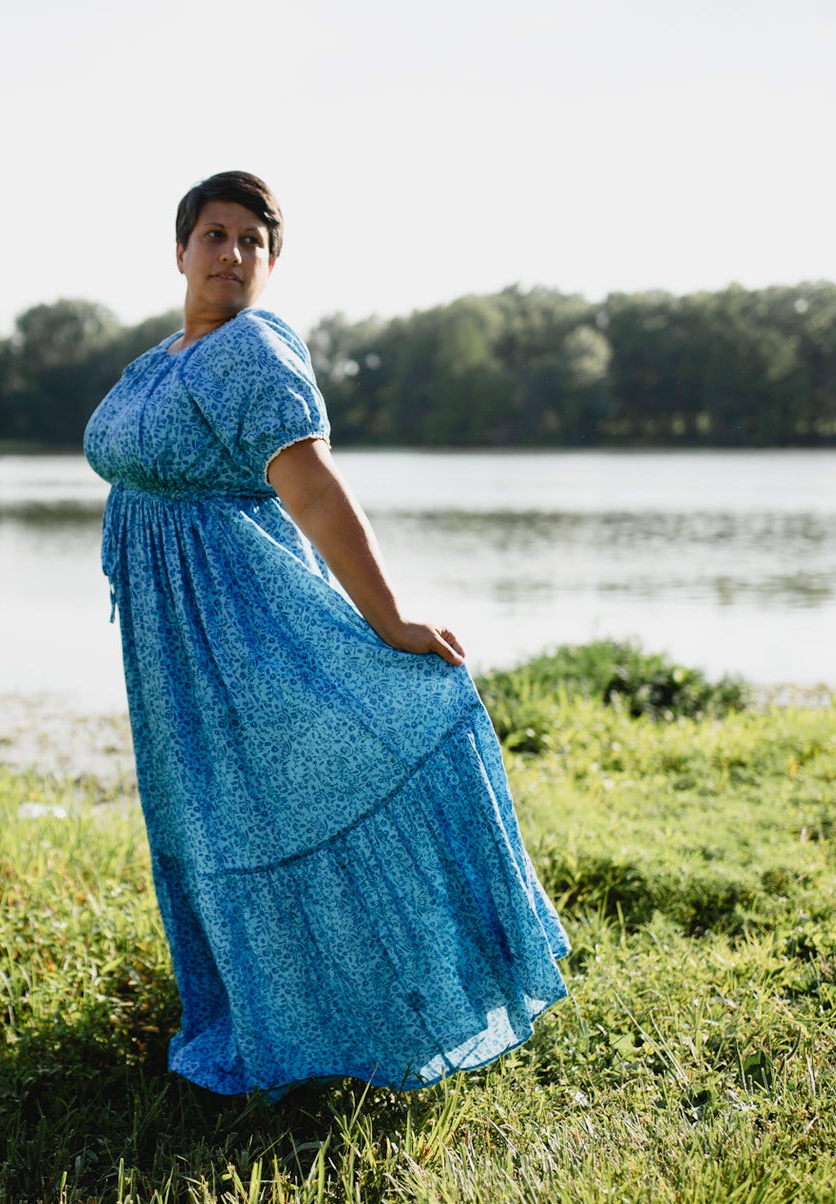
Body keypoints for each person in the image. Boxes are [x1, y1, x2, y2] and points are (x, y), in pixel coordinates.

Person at [83, 171, 568, 1096]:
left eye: (251, 242)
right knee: (213, 813)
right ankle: (262, 1008)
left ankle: (381, 1008)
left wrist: (389, 618)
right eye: (214, 235)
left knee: (286, 800)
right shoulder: (163, 358)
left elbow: (313, 491)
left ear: (271, 261)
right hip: (173, 639)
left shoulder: (253, 354)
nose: (231, 254)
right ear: (179, 249)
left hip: (246, 619)